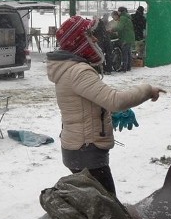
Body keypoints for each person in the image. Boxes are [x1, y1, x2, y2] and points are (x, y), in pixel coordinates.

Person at [46, 15, 163, 196]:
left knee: (95, 206)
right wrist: (148, 90)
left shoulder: (68, 67)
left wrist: (104, 112)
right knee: (108, 210)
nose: (95, 39)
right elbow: (115, 101)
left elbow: (88, 101)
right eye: (89, 35)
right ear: (78, 40)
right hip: (86, 150)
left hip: (78, 148)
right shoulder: (78, 71)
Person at [116, 6, 136, 72]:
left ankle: (124, 68)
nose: (117, 12)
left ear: (120, 11)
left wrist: (112, 29)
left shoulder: (122, 18)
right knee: (128, 53)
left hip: (125, 37)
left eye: (118, 11)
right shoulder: (127, 17)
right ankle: (128, 67)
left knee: (125, 53)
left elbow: (120, 27)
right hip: (130, 37)